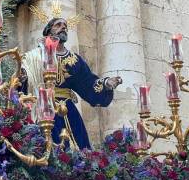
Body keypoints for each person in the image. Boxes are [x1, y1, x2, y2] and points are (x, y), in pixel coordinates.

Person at [20, 17, 122, 150]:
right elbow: (22, 83)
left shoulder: (74, 60)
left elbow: (87, 84)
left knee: (79, 153)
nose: (63, 27)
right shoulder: (34, 57)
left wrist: (106, 83)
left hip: (68, 112)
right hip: (43, 108)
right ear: (48, 31)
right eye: (58, 25)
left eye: (65, 25)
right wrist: (22, 77)